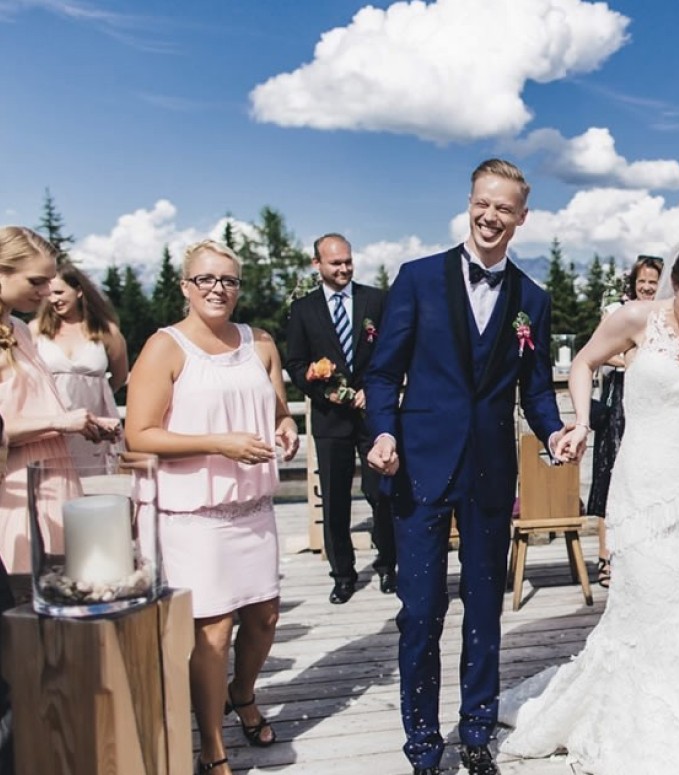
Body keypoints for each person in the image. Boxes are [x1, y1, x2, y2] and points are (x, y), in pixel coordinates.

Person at [499, 235, 679, 774]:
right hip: (642, 484)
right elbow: (583, 363)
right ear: (675, 284)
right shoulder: (634, 318)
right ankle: (631, 727)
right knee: (643, 605)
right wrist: (580, 422)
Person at [363, 159, 567, 775]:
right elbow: (382, 373)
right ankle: (424, 747)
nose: (490, 216)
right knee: (420, 615)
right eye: (483, 203)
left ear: (521, 217)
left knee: (484, 611)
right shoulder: (418, 278)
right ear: (469, 203)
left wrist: (554, 432)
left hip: (490, 473)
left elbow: (535, 389)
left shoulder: (533, 299)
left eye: (504, 208)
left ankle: (477, 731)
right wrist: (382, 431)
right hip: (419, 468)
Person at [125, 239, 298, 775]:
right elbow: (139, 434)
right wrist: (219, 444)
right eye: (206, 279)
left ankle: (241, 694)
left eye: (229, 280)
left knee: (265, 618)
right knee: (214, 631)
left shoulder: (260, 342)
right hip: (195, 514)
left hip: (254, 507)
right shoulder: (165, 346)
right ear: (186, 286)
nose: (218, 289)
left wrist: (285, 428)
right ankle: (212, 745)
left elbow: (279, 410)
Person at [285, 233, 394, 604]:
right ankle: (343, 575)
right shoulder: (303, 310)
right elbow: (295, 363)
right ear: (316, 264)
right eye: (336, 263)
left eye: (348, 261)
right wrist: (320, 389)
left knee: (382, 493)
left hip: (374, 415)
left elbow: (393, 350)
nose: (344, 268)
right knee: (335, 501)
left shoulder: (376, 300)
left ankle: (388, 565)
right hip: (330, 419)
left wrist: (376, 390)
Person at [0, 227, 114, 576]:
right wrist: (58, 423)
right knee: (23, 592)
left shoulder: (20, 329)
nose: (47, 291)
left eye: (50, 281)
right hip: (16, 481)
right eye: (36, 281)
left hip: (57, 474)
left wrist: (81, 422)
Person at [587, 254, 663, 587]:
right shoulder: (616, 311)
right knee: (611, 476)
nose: (646, 287)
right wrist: (635, 359)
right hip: (619, 400)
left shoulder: (666, 315)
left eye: (652, 282)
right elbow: (598, 351)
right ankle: (606, 557)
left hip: (653, 401)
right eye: (641, 281)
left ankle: (643, 556)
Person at [33, 261, 128, 471]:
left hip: (95, 428)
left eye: (59, 292)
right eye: (49, 294)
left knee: (96, 483)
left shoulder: (106, 332)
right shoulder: (35, 330)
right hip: (52, 425)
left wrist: (96, 395)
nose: (53, 299)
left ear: (78, 291)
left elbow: (120, 376)